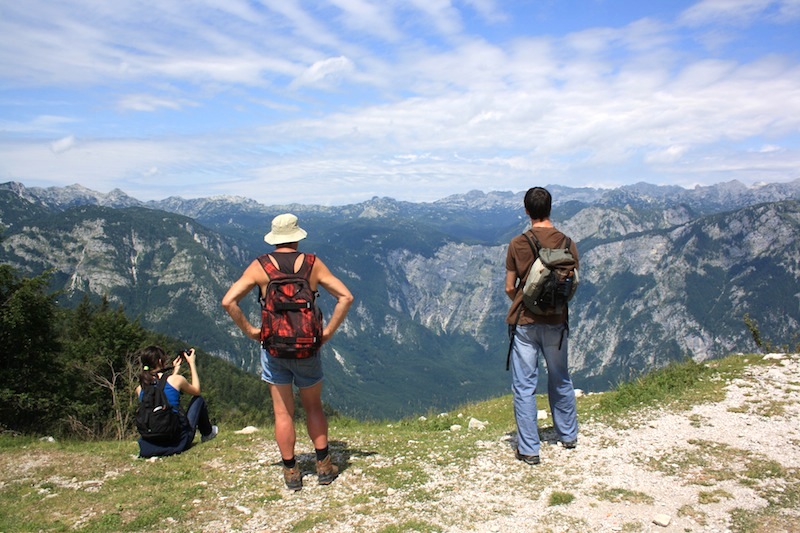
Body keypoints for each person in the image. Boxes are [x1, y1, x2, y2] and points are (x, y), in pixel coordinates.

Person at [221, 213, 354, 491]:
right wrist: (327, 332)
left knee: (283, 413)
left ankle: (292, 472)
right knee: (313, 407)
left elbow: (228, 301)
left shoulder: (260, 267)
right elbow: (346, 297)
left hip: (274, 349)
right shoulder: (311, 264)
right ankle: (323, 466)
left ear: (274, 238)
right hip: (308, 348)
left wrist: (252, 331)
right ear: (296, 237)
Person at [504, 187, 579, 465]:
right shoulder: (568, 243)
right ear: (550, 209)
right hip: (557, 321)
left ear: (526, 211)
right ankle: (568, 435)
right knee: (560, 377)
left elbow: (510, 287)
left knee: (524, 386)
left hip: (525, 322)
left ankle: (529, 449)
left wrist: (526, 301)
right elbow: (571, 281)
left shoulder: (517, 243)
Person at [135, 345, 218, 458]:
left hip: (150, 445)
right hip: (177, 442)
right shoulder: (176, 380)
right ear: (160, 361)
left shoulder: (140, 388)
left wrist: (175, 370)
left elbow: (161, 392)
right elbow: (196, 390)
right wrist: (191, 363)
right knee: (198, 400)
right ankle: (207, 433)